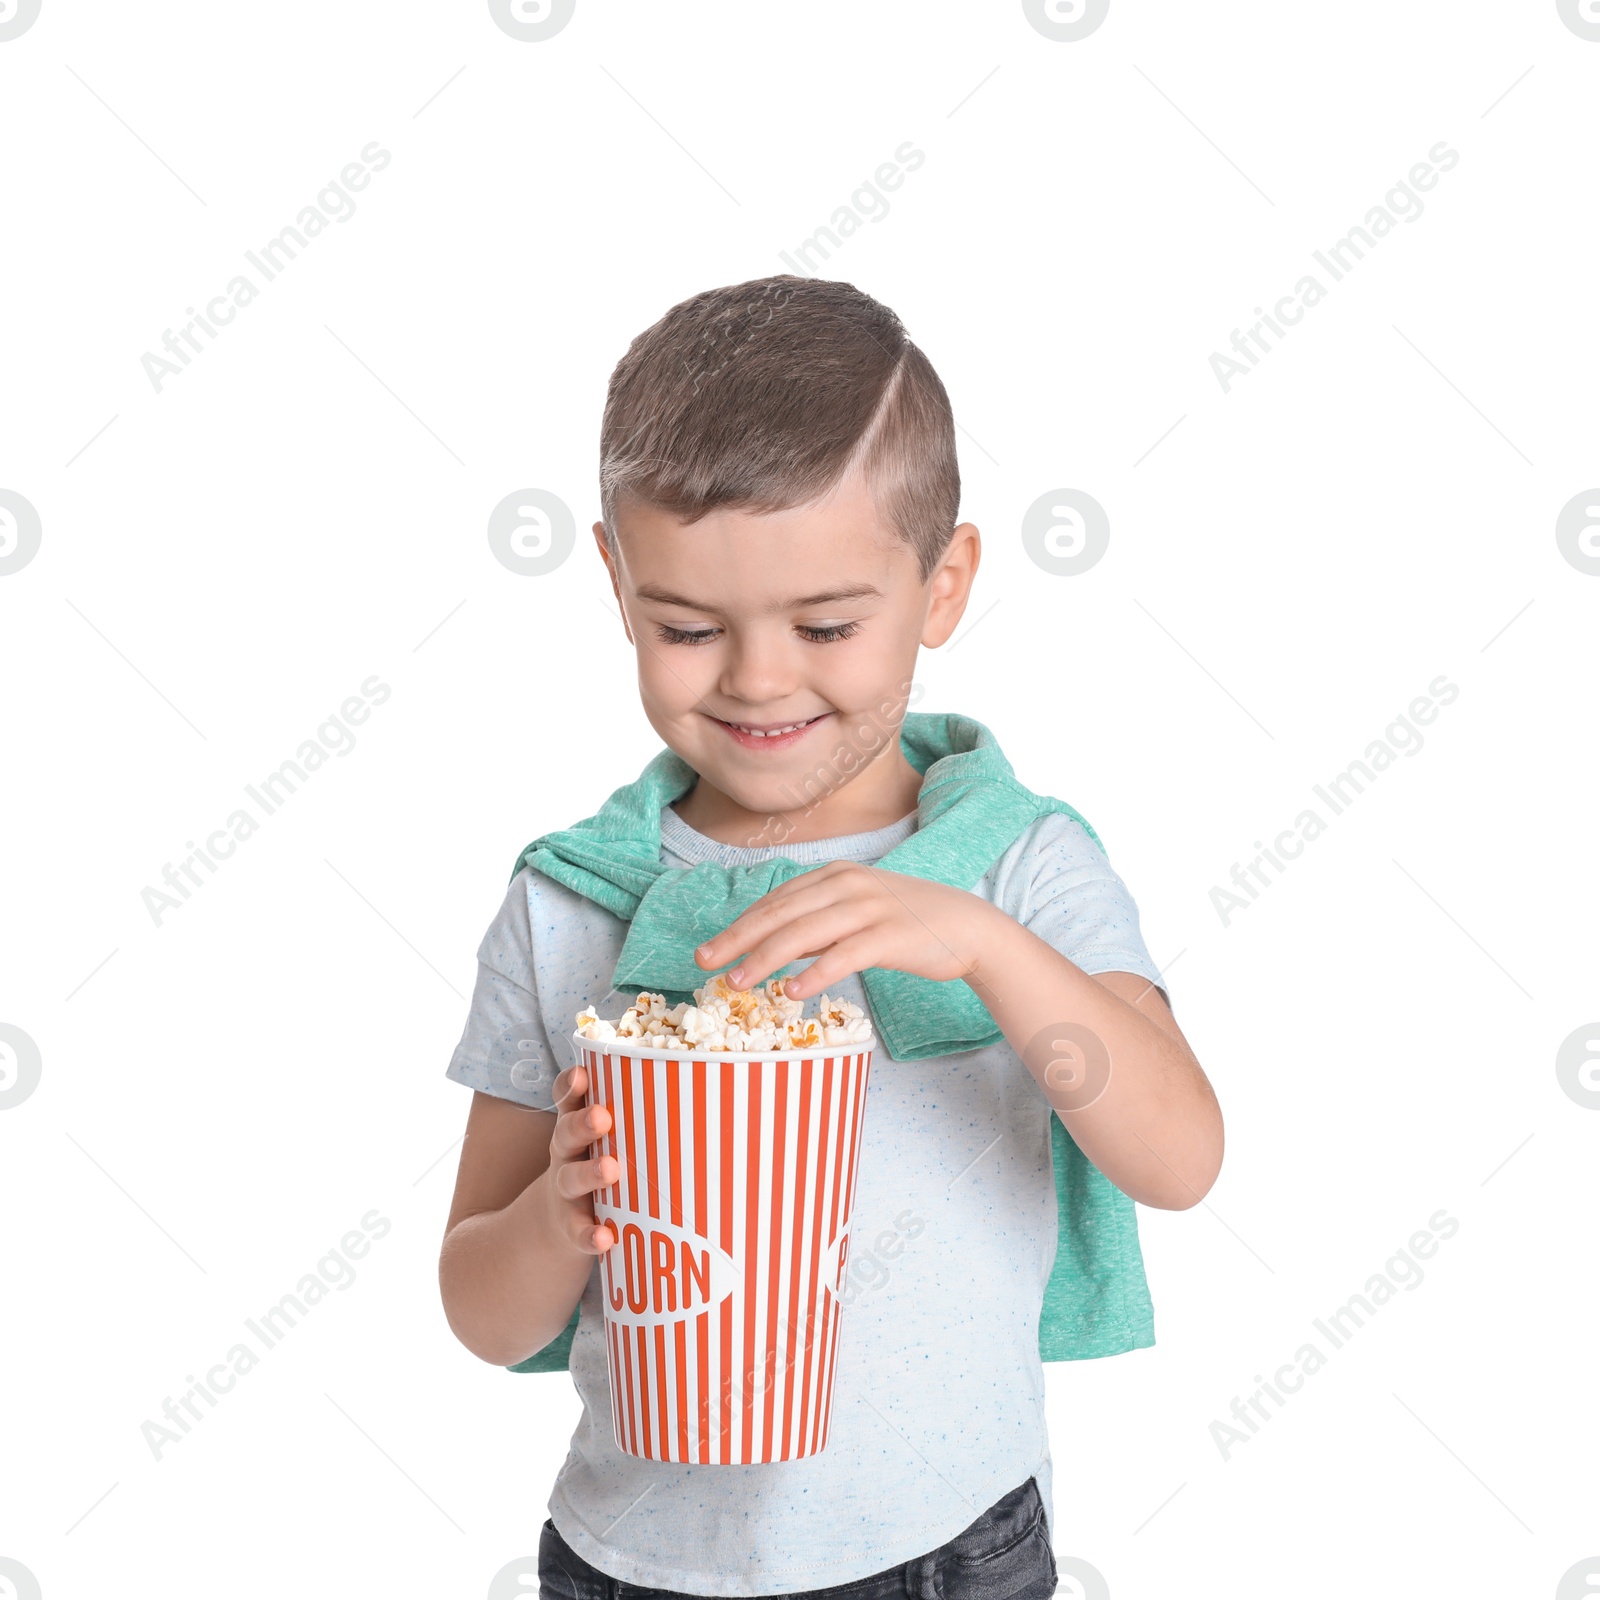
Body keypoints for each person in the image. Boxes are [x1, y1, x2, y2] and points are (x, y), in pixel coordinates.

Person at [437, 275, 1224, 1599]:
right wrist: (559, 1223)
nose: (757, 677)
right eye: (689, 627)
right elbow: (475, 1305)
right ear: (618, 583)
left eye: (827, 624)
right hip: (630, 1555)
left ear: (944, 584)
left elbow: (1181, 1156)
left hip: (943, 1547)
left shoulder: (1020, 866)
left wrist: (983, 947)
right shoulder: (573, 900)